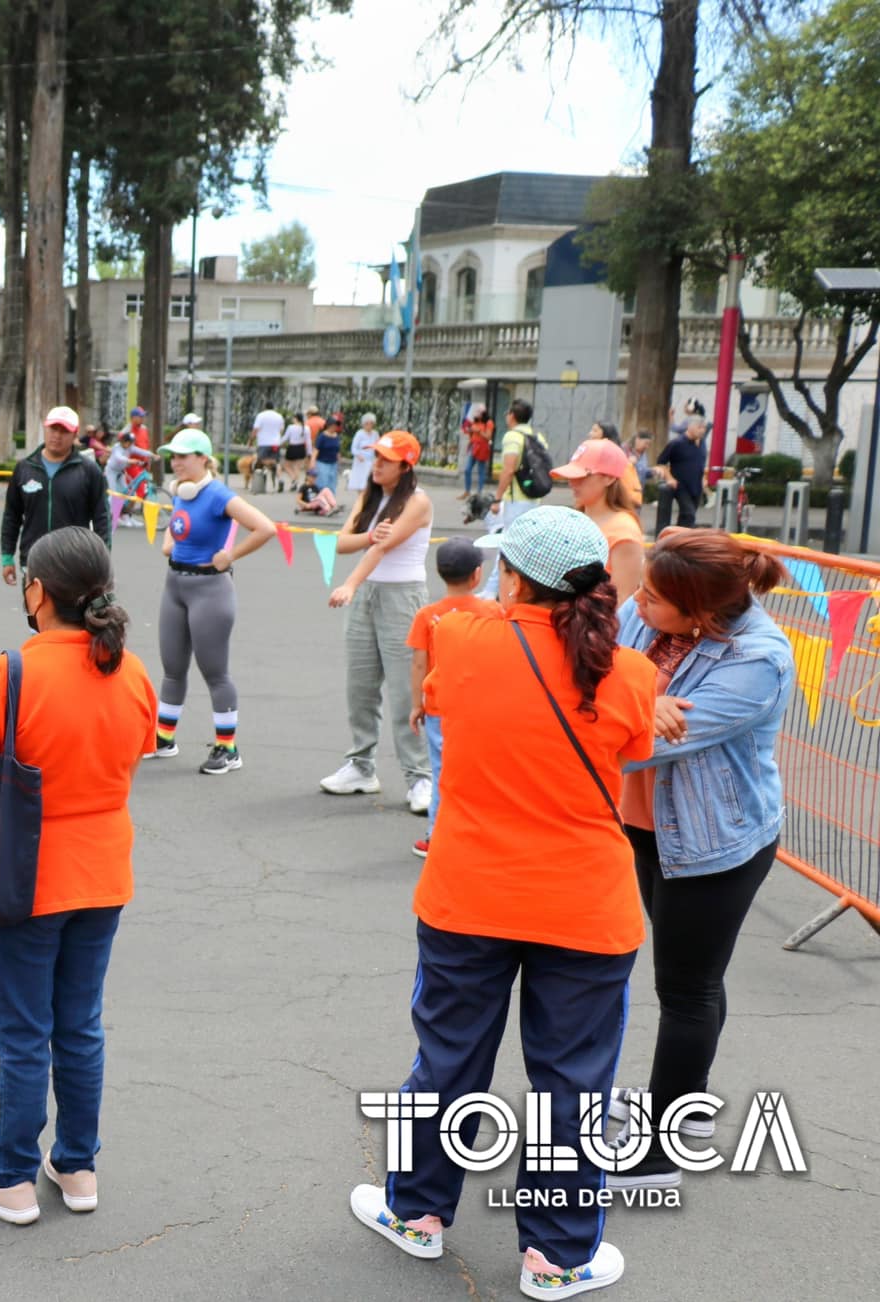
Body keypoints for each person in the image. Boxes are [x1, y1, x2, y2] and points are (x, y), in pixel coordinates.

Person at [350, 506, 652, 1302]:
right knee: (572, 1082)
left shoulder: (464, 638)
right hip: (587, 907)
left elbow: (444, 693)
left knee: (446, 1060)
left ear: (513, 577)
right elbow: (636, 745)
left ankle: (415, 1212)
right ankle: (555, 1256)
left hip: (468, 897)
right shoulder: (631, 674)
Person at [0, 527, 155, 1225]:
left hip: (28, 879)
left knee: (25, 1030)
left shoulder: (14, 672)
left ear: (37, 591)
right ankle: (78, 1163)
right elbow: (132, 758)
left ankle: (10, 1174)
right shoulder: (131, 672)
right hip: (105, 870)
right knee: (81, 1025)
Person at [606, 531, 792, 1190]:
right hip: (649, 826)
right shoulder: (652, 608)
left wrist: (633, 707)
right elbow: (608, 667)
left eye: (654, 599)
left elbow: (636, 748)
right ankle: (683, 1106)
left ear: (703, 615)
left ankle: (659, 1151)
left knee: (685, 990)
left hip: (715, 843)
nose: (637, 602)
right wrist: (643, 700)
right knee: (691, 980)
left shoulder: (758, 659)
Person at [144, 429, 276, 773]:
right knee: (172, 668)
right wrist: (171, 542)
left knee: (215, 672)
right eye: (172, 456)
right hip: (175, 585)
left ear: (203, 458)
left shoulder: (217, 494)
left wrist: (230, 555)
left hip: (210, 590)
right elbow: (180, 527)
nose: (176, 462)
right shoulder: (181, 492)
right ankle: (164, 738)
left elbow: (265, 528)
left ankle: (227, 748)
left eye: (183, 456)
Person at [322, 431, 436, 815]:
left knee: (408, 691)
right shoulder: (368, 498)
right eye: (376, 457)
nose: (377, 465)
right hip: (366, 595)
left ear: (406, 466)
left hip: (403, 598)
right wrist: (369, 534)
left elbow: (382, 548)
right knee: (361, 685)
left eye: (386, 459)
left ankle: (420, 775)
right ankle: (360, 766)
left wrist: (350, 583)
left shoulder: (418, 503)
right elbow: (342, 542)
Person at [403, 538, 491, 859]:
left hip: (440, 707)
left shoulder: (428, 615)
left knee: (442, 772)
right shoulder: (491, 612)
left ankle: (436, 834)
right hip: (480, 708)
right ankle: (478, 830)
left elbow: (418, 662)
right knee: (480, 769)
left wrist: (417, 704)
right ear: (477, 575)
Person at [0, 405, 111, 586]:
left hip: (74, 565)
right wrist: (6, 557)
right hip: (33, 562)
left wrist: (102, 562)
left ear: (74, 434)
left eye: (64, 431)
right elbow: (11, 516)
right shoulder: (24, 468)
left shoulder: (89, 471)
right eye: (53, 428)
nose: (57, 435)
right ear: (46, 428)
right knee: (34, 614)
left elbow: (102, 518)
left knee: (71, 615)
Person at [553, 439, 645, 599]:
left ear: (609, 479)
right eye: (572, 475)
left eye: (583, 476)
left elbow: (622, 600)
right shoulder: (577, 518)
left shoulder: (623, 532)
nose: (572, 483)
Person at [481, 399, 549, 598]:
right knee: (526, 543)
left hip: (517, 500)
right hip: (533, 497)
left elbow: (509, 469)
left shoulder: (512, 436)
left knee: (508, 544)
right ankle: (523, 589)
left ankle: (492, 591)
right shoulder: (538, 436)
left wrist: (497, 498)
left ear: (511, 415)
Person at [656, 416, 709, 528]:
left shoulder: (702, 443)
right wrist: (669, 478)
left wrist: (704, 479)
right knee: (688, 514)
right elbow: (661, 462)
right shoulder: (677, 443)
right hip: (681, 486)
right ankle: (679, 539)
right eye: (699, 427)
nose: (702, 430)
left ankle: (680, 539)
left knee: (688, 517)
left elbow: (702, 463)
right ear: (690, 427)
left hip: (696, 485)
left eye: (704, 428)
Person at [585, 421, 643, 509]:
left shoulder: (621, 463)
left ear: (606, 437)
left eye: (595, 431)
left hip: (616, 509)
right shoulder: (591, 456)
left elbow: (633, 496)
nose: (590, 434)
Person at [460, 405, 494, 497]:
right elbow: (472, 434)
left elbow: (488, 436)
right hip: (474, 447)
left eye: (478, 412)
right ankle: (467, 491)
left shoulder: (488, 423)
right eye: (476, 411)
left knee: (481, 470)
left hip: (482, 448)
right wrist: (470, 434)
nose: (476, 413)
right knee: (467, 469)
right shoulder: (475, 422)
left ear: (483, 413)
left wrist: (478, 431)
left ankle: (479, 492)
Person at [250, 406, 285, 487]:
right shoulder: (279, 416)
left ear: (265, 407)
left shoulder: (261, 415)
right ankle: (280, 479)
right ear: (273, 408)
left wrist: (251, 440)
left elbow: (255, 429)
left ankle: (260, 483)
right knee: (277, 462)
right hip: (275, 443)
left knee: (260, 460)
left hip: (263, 442)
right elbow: (281, 429)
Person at [348, 413, 380, 495]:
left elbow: (378, 446)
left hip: (371, 461)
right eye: (367, 423)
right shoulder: (359, 434)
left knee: (369, 482)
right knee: (361, 482)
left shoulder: (375, 434)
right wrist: (358, 455)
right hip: (361, 462)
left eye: (371, 423)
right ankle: (360, 499)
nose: (369, 425)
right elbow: (353, 448)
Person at [311, 407, 342, 495]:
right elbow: (316, 450)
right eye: (334, 425)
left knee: (332, 483)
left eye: (336, 425)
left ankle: (330, 502)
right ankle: (320, 501)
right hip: (322, 463)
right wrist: (312, 463)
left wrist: (339, 462)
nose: (335, 427)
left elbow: (338, 451)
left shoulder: (336, 436)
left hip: (333, 463)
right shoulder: (322, 436)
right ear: (329, 425)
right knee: (322, 483)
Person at [281, 409, 310, 491]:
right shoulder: (306, 428)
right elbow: (308, 442)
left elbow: (285, 438)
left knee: (286, 465)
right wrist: (309, 452)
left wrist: (277, 443)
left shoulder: (291, 427)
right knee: (297, 467)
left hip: (292, 448)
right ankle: (295, 482)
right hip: (301, 449)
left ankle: (294, 479)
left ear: (296, 418)